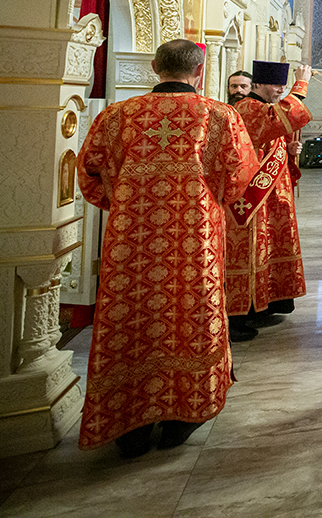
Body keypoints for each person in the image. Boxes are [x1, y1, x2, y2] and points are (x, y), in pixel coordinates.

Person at [76, 39, 256, 457]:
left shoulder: (117, 115)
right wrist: (209, 199)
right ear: (199, 70)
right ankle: (183, 418)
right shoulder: (219, 115)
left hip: (129, 243)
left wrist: (125, 204)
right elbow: (240, 177)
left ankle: (129, 425)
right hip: (196, 241)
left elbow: (88, 172)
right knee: (192, 314)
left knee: (130, 319)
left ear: (155, 67)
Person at [225, 60, 312, 342]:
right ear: (260, 84)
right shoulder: (247, 107)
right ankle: (237, 315)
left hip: (271, 197)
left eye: (283, 86)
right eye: (276, 85)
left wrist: (288, 149)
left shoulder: (262, 108)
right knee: (248, 254)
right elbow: (281, 118)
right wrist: (301, 85)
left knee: (268, 251)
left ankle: (263, 304)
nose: (280, 90)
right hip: (250, 200)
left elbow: (271, 135)